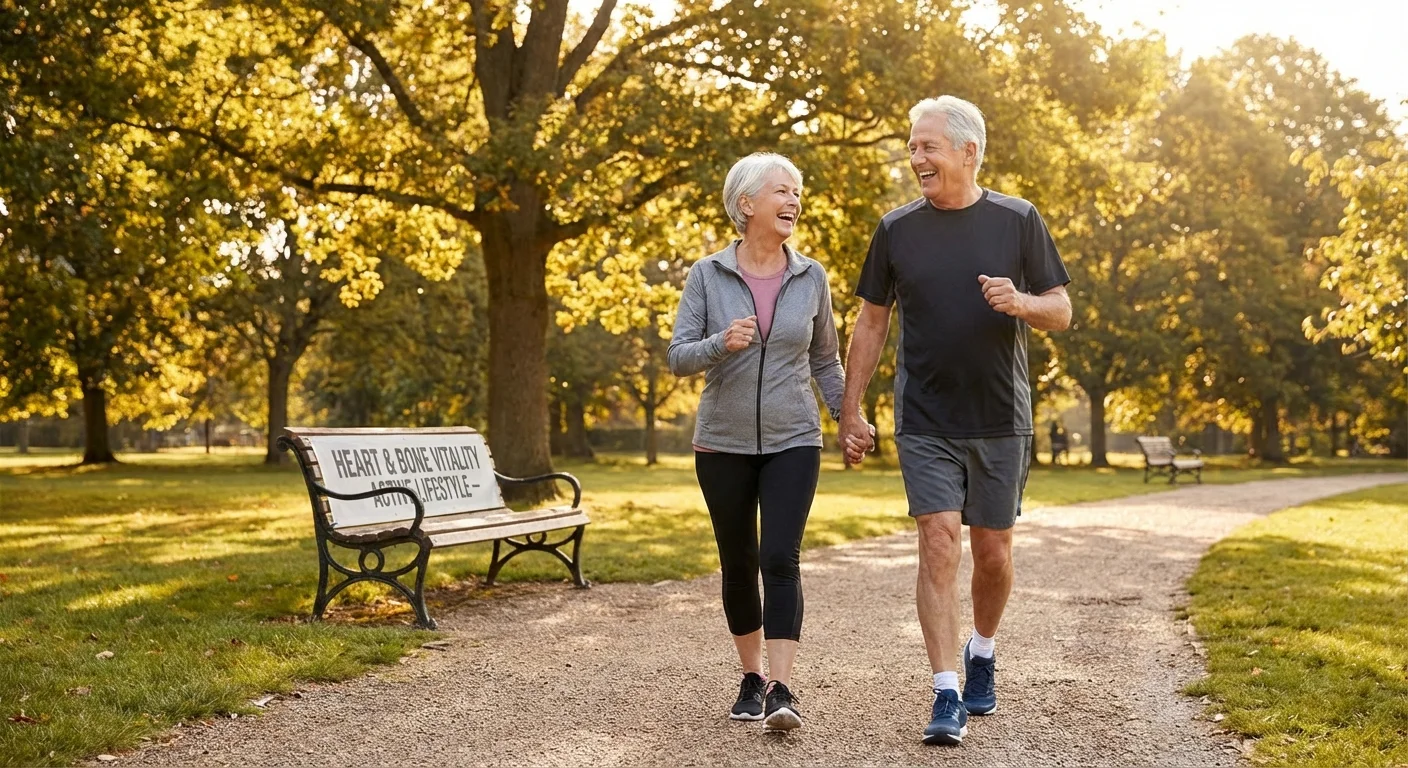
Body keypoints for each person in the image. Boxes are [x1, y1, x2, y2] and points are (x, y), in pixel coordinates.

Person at [839, 96, 1072, 746]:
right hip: (925, 418)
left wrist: (1021, 302)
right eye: (913, 148)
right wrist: (852, 408)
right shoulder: (896, 230)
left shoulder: (1018, 219)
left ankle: (983, 650)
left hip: (1001, 416)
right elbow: (873, 320)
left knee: (993, 552)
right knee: (939, 539)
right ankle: (946, 693)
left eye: (928, 147)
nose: (917, 159)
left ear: (969, 152)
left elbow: (1062, 310)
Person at [668, 152, 873, 733]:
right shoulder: (708, 274)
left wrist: (847, 415)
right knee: (738, 561)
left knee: (779, 557)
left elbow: (826, 361)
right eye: (782, 191)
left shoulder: (811, 277)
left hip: (793, 439)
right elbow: (678, 355)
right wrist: (718, 344)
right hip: (722, 442)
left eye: (797, 192)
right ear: (746, 204)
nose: (793, 201)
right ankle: (751, 677)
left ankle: (783, 689)